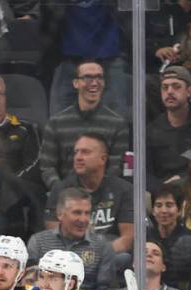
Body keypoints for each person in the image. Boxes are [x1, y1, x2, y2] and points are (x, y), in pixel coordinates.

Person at [43, 133, 135, 272]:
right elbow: (53, 235)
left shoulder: (123, 189)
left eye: (85, 152)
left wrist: (95, 256)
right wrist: (80, 257)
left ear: (103, 159)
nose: (78, 157)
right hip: (69, 258)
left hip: (110, 256)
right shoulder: (60, 190)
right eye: (76, 152)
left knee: (123, 258)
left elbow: (128, 238)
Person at [40, 60, 130, 190]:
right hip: (65, 195)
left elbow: (116, 168)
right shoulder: (56, 123)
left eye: (99, 77)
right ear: (76, 83)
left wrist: (97, 192)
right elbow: (47, 167)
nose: (94, 83)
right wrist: (61, 191)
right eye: (88, 77)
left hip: (104, 195)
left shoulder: (118, 124)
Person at [28, 187, 117, 290]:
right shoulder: (38, 242)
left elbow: (106, 289)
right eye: (77, 212)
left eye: (87, 213)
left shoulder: (102, 246)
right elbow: (30, 282)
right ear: (60, 214)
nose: (83, 219)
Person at [44, 1, 130, 117]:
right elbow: (47, 21)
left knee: (114, 120)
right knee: (60, 120)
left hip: (109, 60)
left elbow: (129, 20)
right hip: (69, 61)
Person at [148, 66, 191, 186]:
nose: (169, 91)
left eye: (176, 86)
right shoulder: (151, 130)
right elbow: (145, 172)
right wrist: (162, 187)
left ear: (189, 91)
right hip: (162, 194)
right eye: (165, 87)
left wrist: (182, 180)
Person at [148, 183, 191, 290]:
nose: (164, 211)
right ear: (153, 210)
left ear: (179, 210)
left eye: (169, 205)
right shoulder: (144, 237)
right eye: (158, 205)